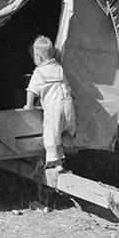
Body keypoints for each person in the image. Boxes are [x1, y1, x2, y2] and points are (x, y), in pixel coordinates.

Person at [25, 35, 76, 170]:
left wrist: (29, 105)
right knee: (65, 128)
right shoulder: (59, 68)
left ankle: (56, 163)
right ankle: (68, 136)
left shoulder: (39, 73)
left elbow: (32, 90)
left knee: (51, 136)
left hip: (54, 108)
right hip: (68, 104)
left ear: (39, 57)